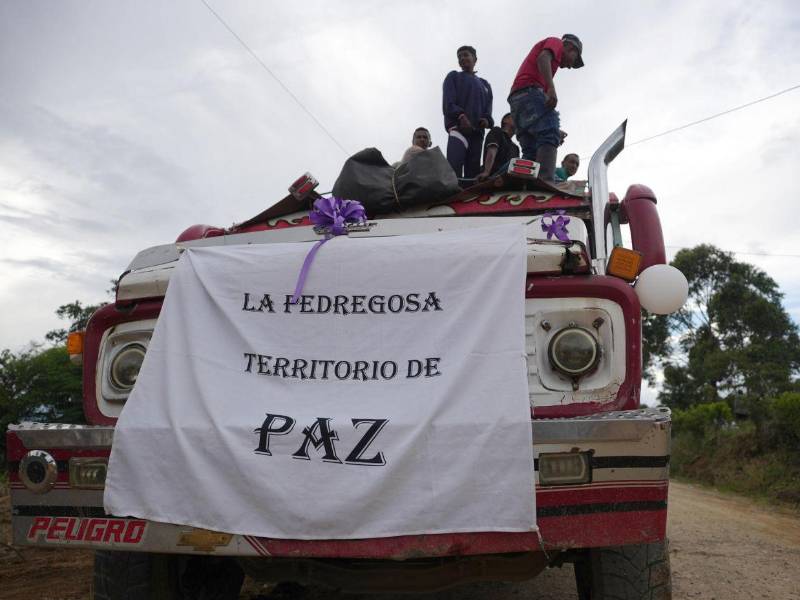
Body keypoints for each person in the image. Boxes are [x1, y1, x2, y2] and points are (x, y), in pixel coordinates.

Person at [508, 34, 584, 182]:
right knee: (550, 132)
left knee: (531, 147)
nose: (568, 67)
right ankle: (545, 181)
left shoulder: (552, 61)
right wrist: (550, 87)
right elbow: (543, 57)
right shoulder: (556, 43)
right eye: (573, 60)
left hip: (517, 100)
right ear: (571, 48)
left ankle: (526, 183)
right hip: (529, 91)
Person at [442, 45, 494, 178]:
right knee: (454, 169)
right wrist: (461, 115)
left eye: (465, 55)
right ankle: (452, 195)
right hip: (459, 129)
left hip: (477, 134)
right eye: (459, 57)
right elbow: (448, 103)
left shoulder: (485, 85)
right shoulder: (453, 76)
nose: (462, 58)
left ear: (475, 59)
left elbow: (488, 110)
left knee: (473, 173)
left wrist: (486, 120)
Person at [478, 113, 519, 180]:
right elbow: (492, 150)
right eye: (515, 118)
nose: (518, 121)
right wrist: (486, 172)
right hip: (494, 175)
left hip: (509, 178)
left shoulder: (515, 148)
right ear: (505, 120)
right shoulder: (497, 131)